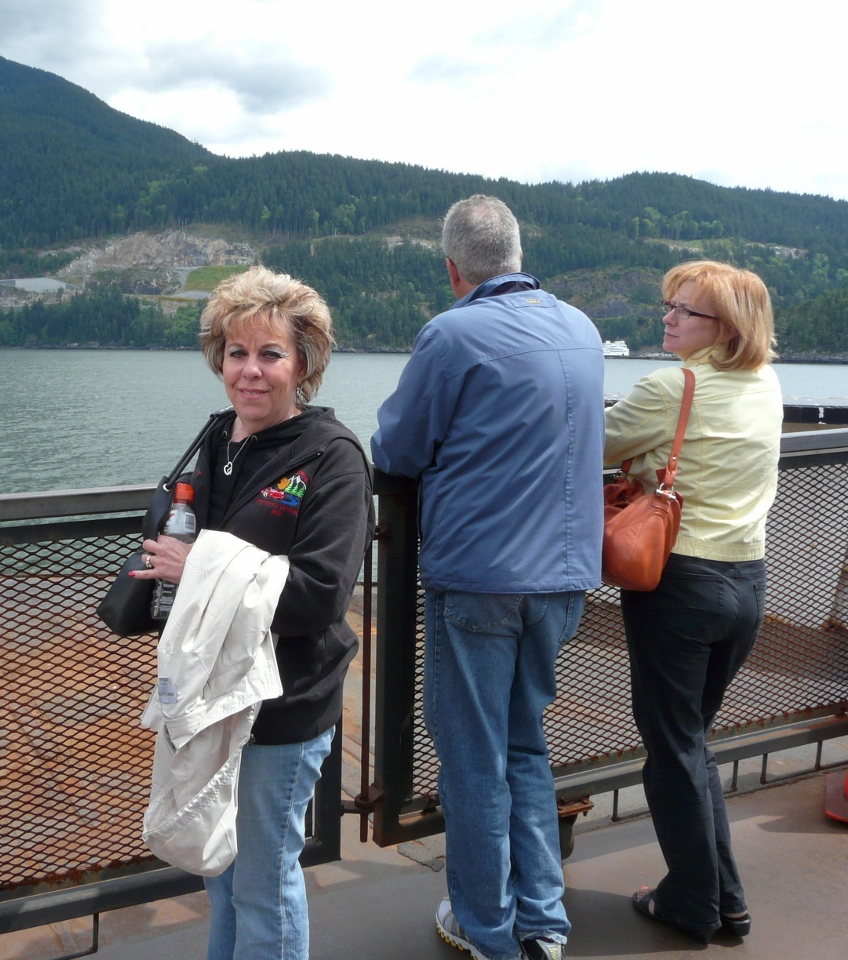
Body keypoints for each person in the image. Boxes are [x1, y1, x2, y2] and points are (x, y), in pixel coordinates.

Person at [372, 195, 604, 960]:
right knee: (523, 746)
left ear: (452, 267)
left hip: (480, 582)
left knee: (474, 760)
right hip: (563, 582)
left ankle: (485, 930)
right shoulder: (582, 328)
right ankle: (544, 924)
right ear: (517, 253)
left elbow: (397, 449)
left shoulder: (452, 333)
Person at [132, 265, 373, 960]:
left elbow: (321, 594)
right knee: (221, 872)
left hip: (285, 706)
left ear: (304, 364)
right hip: (214, 700)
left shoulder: (332, 458)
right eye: (237, 353)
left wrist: (198, 566)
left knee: (263, 884)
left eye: (270, 354)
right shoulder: (217, 441)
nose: (251, 371)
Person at [606, 261, 781, 942]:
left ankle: (693, 904)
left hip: (679, 586)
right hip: (747, 584)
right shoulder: (765, 383)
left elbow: (595, 443)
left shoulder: (670, 385)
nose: (667, 318)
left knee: (671, 749)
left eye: (685, 311)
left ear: (726, 327)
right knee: (692, 743)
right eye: (667, 306)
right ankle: (724, 900)